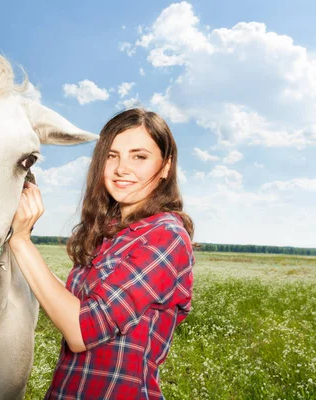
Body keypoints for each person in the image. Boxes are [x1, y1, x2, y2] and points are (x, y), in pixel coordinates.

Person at [10, 108, 194, 399]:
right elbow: (75, 305)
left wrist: (21, 242)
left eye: (139, 156)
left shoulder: (166, 236)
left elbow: (82, 331)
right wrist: (14, 242)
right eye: (112, 156)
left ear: (166, 166)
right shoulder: (110, 232)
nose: (122, 168)